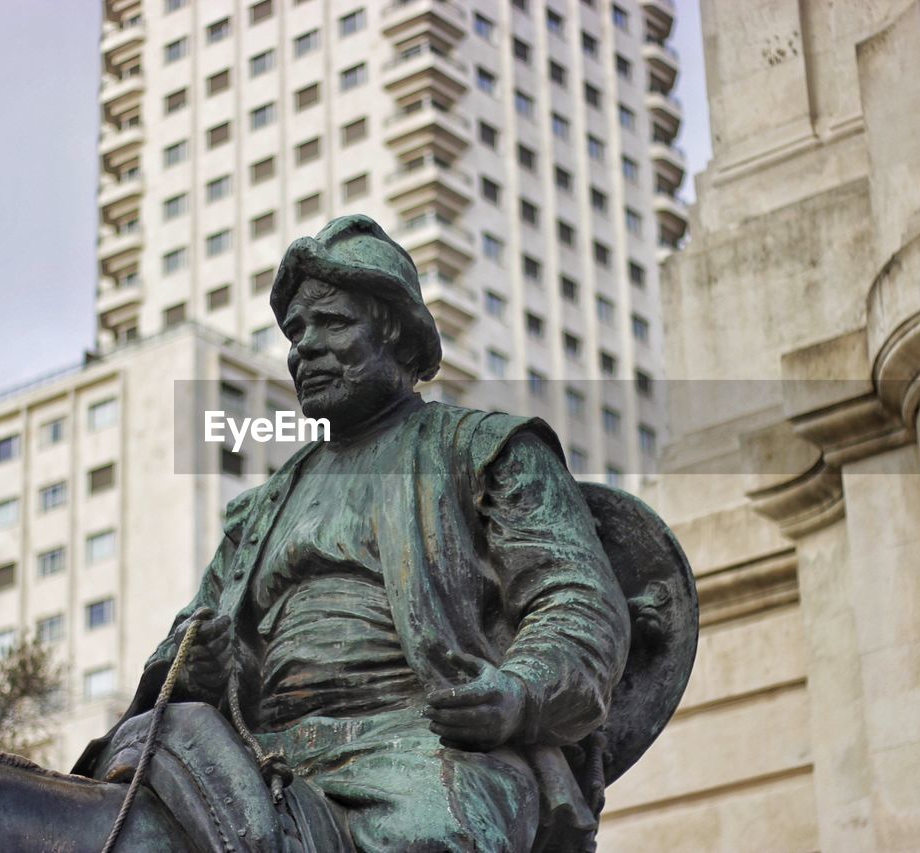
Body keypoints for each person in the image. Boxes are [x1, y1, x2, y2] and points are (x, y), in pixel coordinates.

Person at [74, 215, 631, 851]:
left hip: (424, 745)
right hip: (255, 756)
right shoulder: (260, 510)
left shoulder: (487, 450)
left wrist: (518, 691)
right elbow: (190, 635)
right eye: (295, 331)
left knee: (431, 838)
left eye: (333, 324)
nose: (304, 346)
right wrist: (199, 663)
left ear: (397, 337)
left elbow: (577, 602)